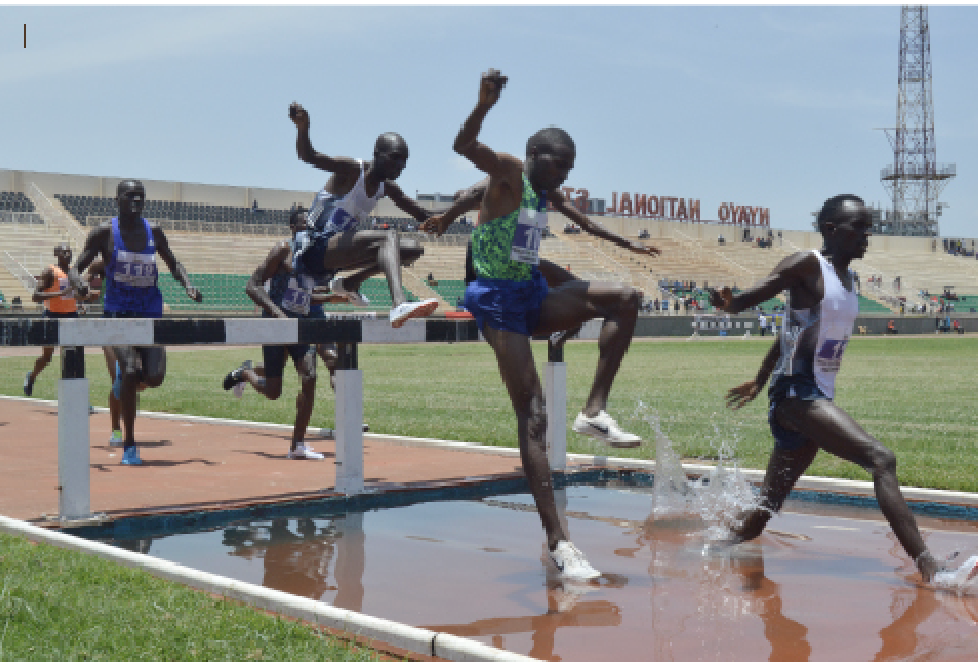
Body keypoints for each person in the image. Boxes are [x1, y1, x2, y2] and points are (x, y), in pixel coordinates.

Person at [444, 69, 660, 581]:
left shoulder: (549, 195)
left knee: (625, 297)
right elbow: (463, 143)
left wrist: (631, 247)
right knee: (534, 415)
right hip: (497, 301)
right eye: (559, 165)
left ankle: (594, 411)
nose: (564, 176)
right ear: (535, 155)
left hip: (531, 293)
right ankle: (560, 542)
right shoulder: (509, 174)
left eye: (570, 168)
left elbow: (589, 224)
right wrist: (483, 103)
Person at [713, 194, 978, 586]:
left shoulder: (849, 279)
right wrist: (733, 306)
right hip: (796, 395)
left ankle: (711, 546)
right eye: (859, 226)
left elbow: (790, 333)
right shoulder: (808, 264)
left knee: (763, 512)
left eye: (869, 226)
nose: (867, 234)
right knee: (880, 459)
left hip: (812, 396)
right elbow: (752, 297)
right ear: (831, 230)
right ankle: (931, 568)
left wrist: (758, 378)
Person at [69, 180, 203, 466]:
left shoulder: (153, 231)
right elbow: (74, 267)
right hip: (118, 314)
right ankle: (129, 445)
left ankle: (125, 383)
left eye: (141, 196)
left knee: (153, 377)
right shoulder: (104, 232)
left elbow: (173, 262)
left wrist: (188, 285)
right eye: (130, 196)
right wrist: (78, 282)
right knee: (130, 369)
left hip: (149, 313)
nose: (137, 200)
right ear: (117, 200)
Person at [288, 102, 438, 328]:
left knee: (412, 249)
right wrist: (303, 127)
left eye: (404, 161)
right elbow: (308, 155)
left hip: (337, 255)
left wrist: (468, 205)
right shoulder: (351, 170)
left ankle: (350, 283)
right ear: (377, 154)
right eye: (395, 158)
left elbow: (423, 214)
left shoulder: (386, 188)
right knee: (388, 237)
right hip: (314, 247)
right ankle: (398, 303)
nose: (400, 166)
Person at [222, 207, 341, 460]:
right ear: (292, 228)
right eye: (300, 226)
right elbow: (252, 286)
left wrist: (331, 297)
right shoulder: (282, 250)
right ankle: (246, 372)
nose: (305, 230)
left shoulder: (312, 259)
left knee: (309, 376)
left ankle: (297, 444)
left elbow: (306, 296)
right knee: (274, 391)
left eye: (308, 226)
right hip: (276, 324)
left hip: (300, 325)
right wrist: (277, 313)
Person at [23, 243, 85, 397]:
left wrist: (81, 303)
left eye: (70, 252)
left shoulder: (73, 272)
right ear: (57, 254)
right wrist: (59, 293)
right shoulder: (50, 272)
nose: (68, 255)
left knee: (75, 356)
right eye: (64, 252)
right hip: (52, 316)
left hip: (72, 316)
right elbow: (35, 296)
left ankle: (76, 396)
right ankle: (31, 377)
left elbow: (74, 293)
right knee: (47, 357)